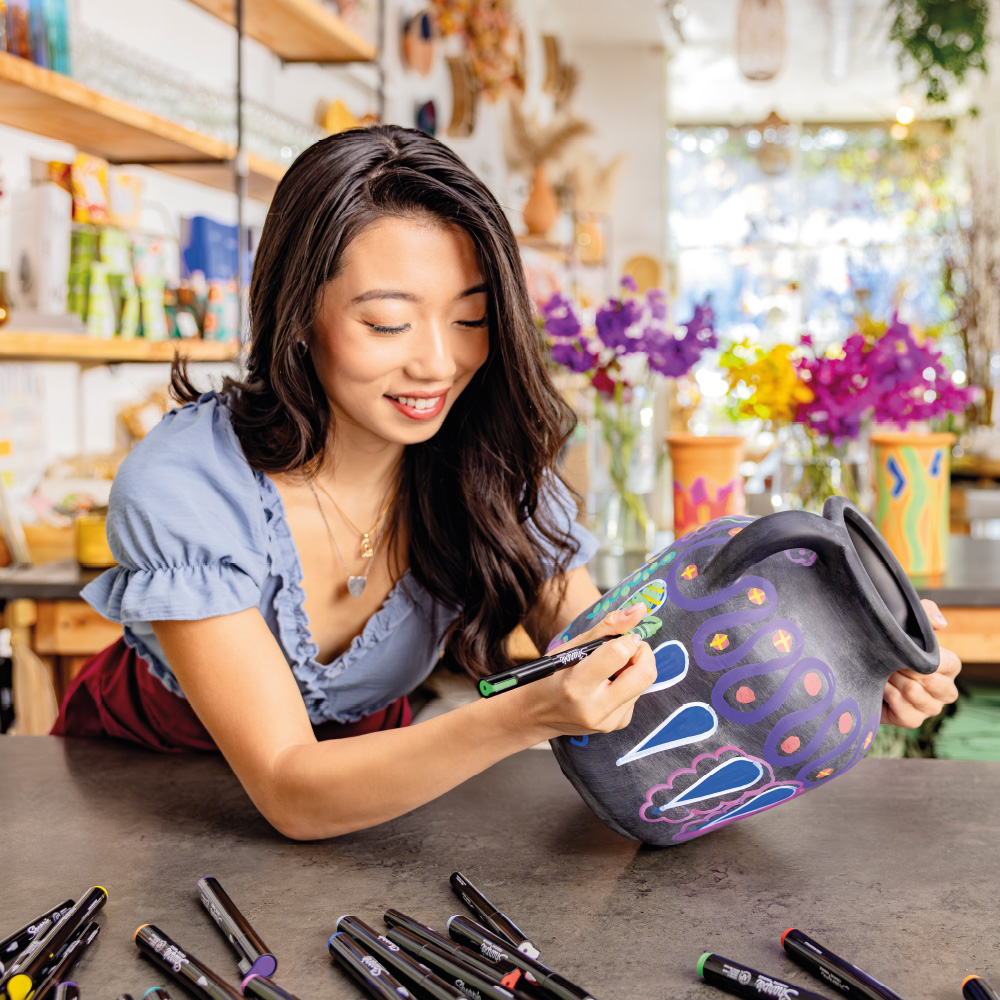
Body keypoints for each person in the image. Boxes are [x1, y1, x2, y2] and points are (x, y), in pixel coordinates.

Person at [52, 125, 961, 840]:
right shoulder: (186, 485)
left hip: (378, 812)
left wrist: (842, 664)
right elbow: (290, 789)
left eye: (473, 318)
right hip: (139, 810)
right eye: (387, 323)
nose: (439, 364)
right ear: (299, 316)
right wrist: (519, 717)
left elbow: (627, 673)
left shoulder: (487, 470)